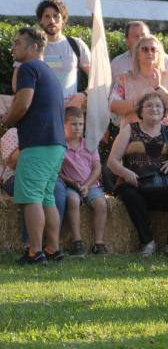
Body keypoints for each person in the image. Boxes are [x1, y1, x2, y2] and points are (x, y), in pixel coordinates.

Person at [1, 27, 66, 265]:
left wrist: (7, 119)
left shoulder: (28, 68)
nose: (13, 48)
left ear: (34, 47)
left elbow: (23, 102)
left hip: (38, 143)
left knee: (31, 198)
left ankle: (35, 252)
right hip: (56, 144)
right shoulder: (48, 72)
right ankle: (52, 249)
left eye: (18, 43)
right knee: (46, 196)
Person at [107, 93, 168, 257]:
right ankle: (148, 243)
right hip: (139, 186)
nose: (154, 109)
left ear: (164, 112)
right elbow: (112, 161)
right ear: (140, 110)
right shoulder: (129, 130)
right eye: (149, 105)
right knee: (129, 194)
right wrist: (126, 173)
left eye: (158, 106)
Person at [60, 106, 108, 256]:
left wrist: (87, 185)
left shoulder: (90, 144)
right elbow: (58, 172)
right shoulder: (61, 146)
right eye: (73, 124)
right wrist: (73, 184)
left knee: (101, 204)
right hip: (71, 186)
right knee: (72, 200)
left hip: (91, 185)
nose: (78, 128)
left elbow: (97, 168)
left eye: (81, 124)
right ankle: (77, 241)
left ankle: (99, 243)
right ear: (64, 125)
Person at [109, 35, 168, 130]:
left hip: (164, 137)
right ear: (137, 54)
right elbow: (113, 106)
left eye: (153, 49)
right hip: (132, 138)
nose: (149, 52)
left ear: (159, 54)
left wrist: (159, 88)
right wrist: (139, 101)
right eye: (145, 49)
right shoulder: (125, 78)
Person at [35, 0, 91, 106]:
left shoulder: (76, 44)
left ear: (63, 19)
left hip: (70, 115)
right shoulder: (33, 47)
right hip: (41, 112)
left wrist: (84, 95)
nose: (51, 21)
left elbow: (96, 76)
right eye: (47, 16)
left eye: (56, 16)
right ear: (40, 20)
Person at [110, 21, 168, 89]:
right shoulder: (117, 63)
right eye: (136, 36)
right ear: (127, 41)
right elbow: (110, 96)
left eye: (143, 35)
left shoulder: (166, 60)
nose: (140, 39)